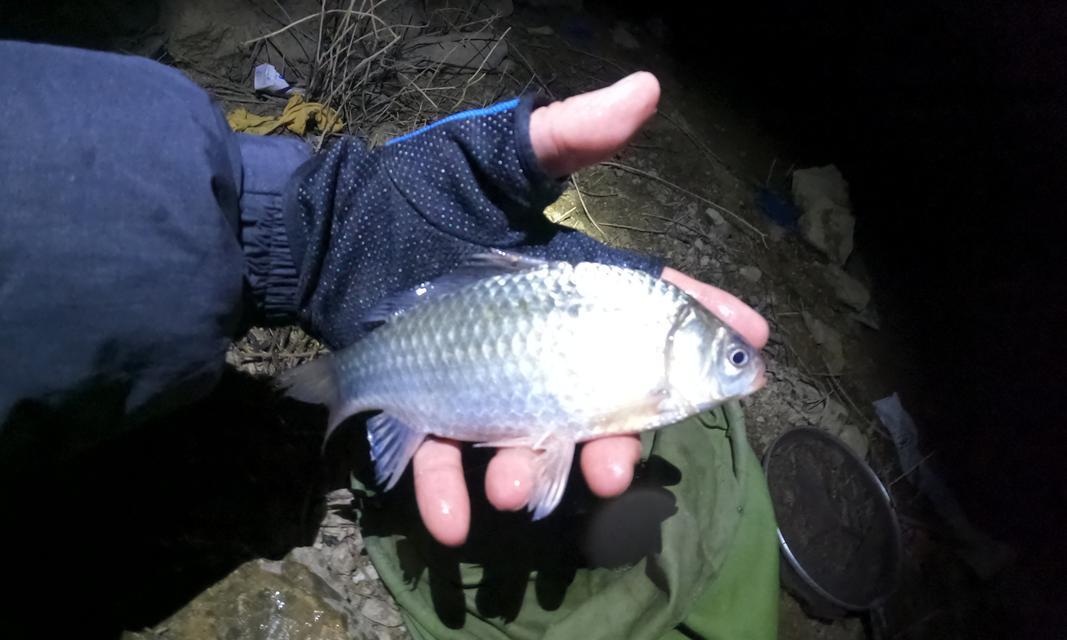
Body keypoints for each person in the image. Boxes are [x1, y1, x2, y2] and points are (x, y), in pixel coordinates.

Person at [0, 39, 778, 638]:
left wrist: (310, 229)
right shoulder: (649, 338)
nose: (743, 373)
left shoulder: (648, 330)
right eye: (733, 360)